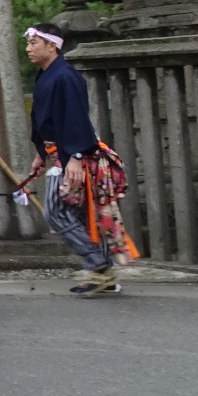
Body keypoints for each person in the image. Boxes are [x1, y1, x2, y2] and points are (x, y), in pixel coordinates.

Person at [26, 23, 138, 295]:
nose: (29, 49)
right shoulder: (47, 75)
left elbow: (76, 118)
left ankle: (99, 265)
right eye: (28, 44)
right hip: (57, 153)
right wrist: (41, 154)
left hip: (71, 154)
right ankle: (104, 274)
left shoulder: (65, 76)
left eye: (34, 44)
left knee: (55, 211)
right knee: (77, 214)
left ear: (52, 46)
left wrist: (75, 157)